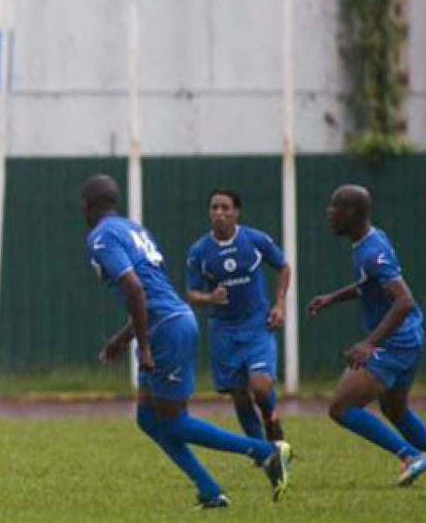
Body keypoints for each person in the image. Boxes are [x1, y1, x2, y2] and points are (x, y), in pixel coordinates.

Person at [81, 174, 291, 508]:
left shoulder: (100, 236)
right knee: (148, 419)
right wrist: (123, 339)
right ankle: (209, 490)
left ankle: (266, 451)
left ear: (86, 205)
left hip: (164, 328)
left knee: (176, 421)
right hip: (168, 321)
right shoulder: (133, 228)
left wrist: (143, 346)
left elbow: (136, 289)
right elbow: (151, 288)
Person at [306, 184, 426, 487]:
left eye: (334, 207)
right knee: (395, 409)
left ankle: (410, 456)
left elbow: (404, 300)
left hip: (395, 342)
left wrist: (370, 343)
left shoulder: (372, 252)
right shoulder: (371, 240)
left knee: (341, 408)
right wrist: (334, 297)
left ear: (351, 212)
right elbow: (370, 283)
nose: (329, 213)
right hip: (410, 336)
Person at [185, 189, 290, 443]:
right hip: (223, 329)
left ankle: (271, 420)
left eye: (225, 208)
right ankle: (260, 449)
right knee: (238, 393)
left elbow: (283, 266)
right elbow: (192, 293)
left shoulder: (254, 240)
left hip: (256, 324)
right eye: (214, 208)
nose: (219, 213)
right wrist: (210, 298)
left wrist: (279, 304)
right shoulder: (199, 251)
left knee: (261, 387)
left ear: (236, 212)